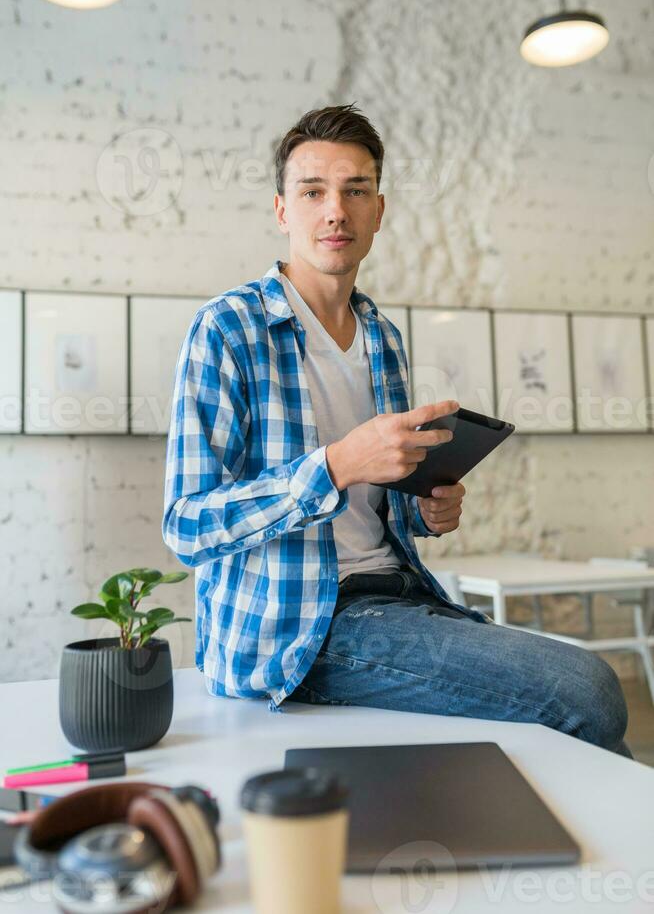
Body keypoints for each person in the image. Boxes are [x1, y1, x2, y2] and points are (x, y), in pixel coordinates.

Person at [162, 103, 632, 758]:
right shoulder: (227, 330)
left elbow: (387, 510)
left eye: (356, 191)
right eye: (314, 192)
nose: (336, 211)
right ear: (281, 210)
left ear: (378, 211)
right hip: (300, 630)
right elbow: (186, 527)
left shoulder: (381, 336)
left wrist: (429, 508)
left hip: (398, 596)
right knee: (589, 688)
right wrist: (335, 465)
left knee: (570, 694)